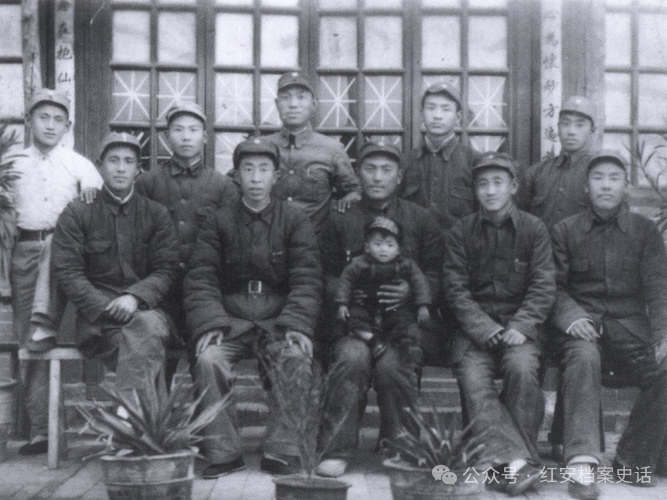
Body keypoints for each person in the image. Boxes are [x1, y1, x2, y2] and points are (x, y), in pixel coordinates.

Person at [184, 137, 322, 479]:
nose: (256, 178)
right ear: (237, 175)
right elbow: (201, 277)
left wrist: (296, 324)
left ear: (276, 176)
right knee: (209, 359)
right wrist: (211, 324)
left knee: (296, 356)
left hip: (277, 320)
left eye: (263, 169)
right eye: (248, 169)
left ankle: (282, 450)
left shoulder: (295, 220)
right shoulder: (218, 221)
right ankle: (224, 453)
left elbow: (307, 278)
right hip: (230, 320)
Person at [316, 141, 443, 478]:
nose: (377, 177)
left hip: (400, 324)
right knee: (350, 359)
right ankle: (336, 449)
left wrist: (412, 291)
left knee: (394, 364)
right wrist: (349, 291)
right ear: (358, 173)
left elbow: (437, 271)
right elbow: (322, 272)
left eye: (386, 170)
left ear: (399, 177)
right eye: (370, 169)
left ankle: (401, 447)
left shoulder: (420, 219)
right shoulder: (339, 218)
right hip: (354, 323)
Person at [550, 151, 667, 497]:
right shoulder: (565, 230)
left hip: (630, 331)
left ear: (626, 186)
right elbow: (552, 287)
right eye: (598, 178)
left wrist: (663, 334)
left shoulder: (644, 231)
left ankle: (633, 459)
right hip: (583, 331)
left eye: (614, 178)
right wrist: (572, 317)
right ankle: (582, 465)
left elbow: (658, 287)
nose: (605, 185)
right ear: (586, 187)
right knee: (584, 359)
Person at [443, 152, 555, 496]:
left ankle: (501, 463)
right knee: (474, 378)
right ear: (475, 190)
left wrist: (521, 325)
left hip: (520, 330)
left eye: (498, 183)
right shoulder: (461, 231)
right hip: (473, 334)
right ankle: (520, 463)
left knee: (522, 369)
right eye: (483, 184)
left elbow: (543, 285)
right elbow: (455, 289)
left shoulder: (534, 229)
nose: (490, 191)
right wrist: (484, 328)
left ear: (514, 187)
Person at [9, 89, 103, 455]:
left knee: (86, 330)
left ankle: (97, 420)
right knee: (32, 337)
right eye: (43, 117)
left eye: (58, 119)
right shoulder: (11, 163)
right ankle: (42, 432)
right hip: (26, 250)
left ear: (68, 126)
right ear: (28, 121)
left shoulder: (80, 165)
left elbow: (98, 208)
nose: (50, 125)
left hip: (70, 256)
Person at [51, 132, 178, 403]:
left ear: (138, 169)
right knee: (147, 343)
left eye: (128, 161)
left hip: (146, 310)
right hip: (100, 323)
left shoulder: (156, 214)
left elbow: (166, 269)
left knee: (146, 330)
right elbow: (68, 272)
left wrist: (134, 298)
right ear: (100, 166)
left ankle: (128, 420)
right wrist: (108, 307)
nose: (121, 168)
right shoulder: (78, 213)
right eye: (113, 160)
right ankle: (147, 423)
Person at [136, 102, 238, 335]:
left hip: (207, 289)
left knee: (205, 345)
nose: (186, 137)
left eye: (193, 130)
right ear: (166, 136)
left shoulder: (222, 186)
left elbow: (231, 243)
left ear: (205, 137)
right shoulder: (148, 183)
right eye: (178, 129)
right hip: (159, 289)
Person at [265, 71, 361, 236]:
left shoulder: (331, 149)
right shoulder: (262, 146)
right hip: (268, 239)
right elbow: (236, 188)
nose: (293, 104)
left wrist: (343, 205)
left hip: (314, 242)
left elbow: (355, 190)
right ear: (276, 104)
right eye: (286, 97)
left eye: (301, 97)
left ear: (314, 104)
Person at [334, 216, 431, 360]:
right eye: (377, 244)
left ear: (398, 250)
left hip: (393, 307)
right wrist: (342, 303)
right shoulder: (359, 263)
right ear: (367, 247)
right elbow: (346, 280)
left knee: (404, 321)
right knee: (353, 318)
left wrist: (422, 304)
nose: (383, 250)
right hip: (365, 305)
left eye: (390, 245)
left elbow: (419, 282)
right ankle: (371, 339)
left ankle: (406, 344)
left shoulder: (406, 264)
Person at [400, 83, 479, 232]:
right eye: (431, 108)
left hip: (458, 246)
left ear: (458, 117)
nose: (437, 116)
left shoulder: (474, 162)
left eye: (445, 109)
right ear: (422, 114)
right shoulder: (406, 162)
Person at [519, 96, 597, 231]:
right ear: (558, 128)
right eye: (565, 124)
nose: (571, 131)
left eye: (580, 125)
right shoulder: (536, 173)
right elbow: (521, 221)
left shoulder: (599, 173)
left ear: (592, 131)